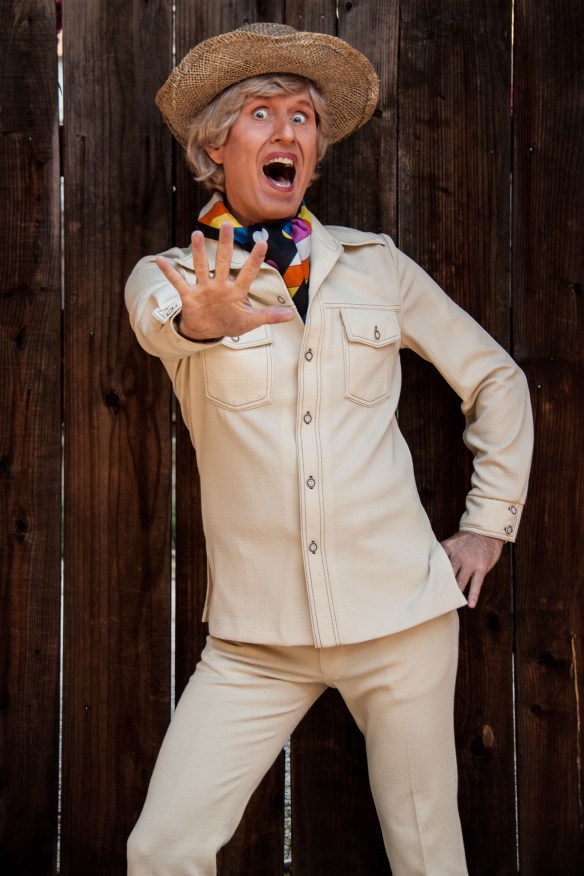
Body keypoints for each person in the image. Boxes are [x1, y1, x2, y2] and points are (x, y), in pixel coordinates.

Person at [125, 22, 533, 876]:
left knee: (429, 856)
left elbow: (496, 379)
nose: (288, 132)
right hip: (254, 638)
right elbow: (170, 328)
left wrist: (487, 525)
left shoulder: (377, 268)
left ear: (314, 151)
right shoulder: (171, 274)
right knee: (163, 849)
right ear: (214, 147)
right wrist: (206, 320)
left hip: (403, 622)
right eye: (261, 114)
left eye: (303, 117)